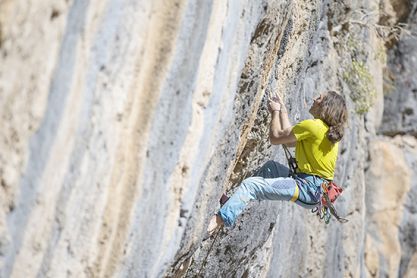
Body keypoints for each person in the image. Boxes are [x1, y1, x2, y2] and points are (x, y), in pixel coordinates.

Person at [207, 90, 348, 234]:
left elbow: (275, 138)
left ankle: (216, 221)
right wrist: (283, 112)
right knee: (271, 168)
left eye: (319, 98)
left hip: (306, 188)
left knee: (251, 186)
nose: (314, 99)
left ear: (325, 106)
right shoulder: (327, 132)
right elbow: (289, 142)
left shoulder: (314, 126)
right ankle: (232, 203)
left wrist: (275, 112)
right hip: (312, 187)